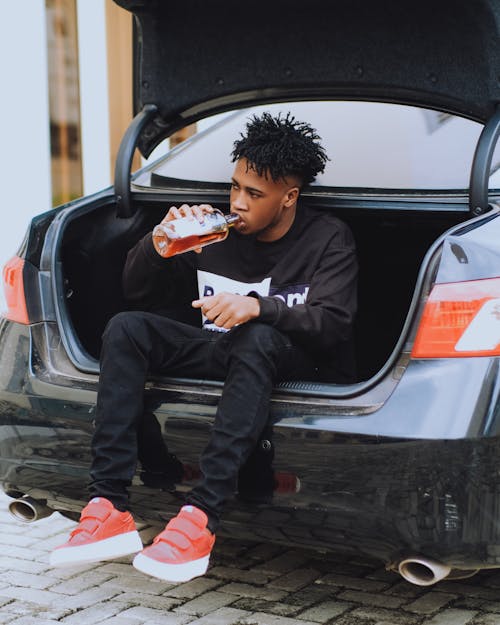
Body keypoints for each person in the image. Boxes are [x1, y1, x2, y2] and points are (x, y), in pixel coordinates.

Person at [50, 111, 358, 583]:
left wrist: (259, 307)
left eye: (254, 194)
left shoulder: (327, 238)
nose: (238, 202)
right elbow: (137, 292)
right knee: (126, 328)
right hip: (222, 351)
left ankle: (200, 517)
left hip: (290, 356)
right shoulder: (213, 231)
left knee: (254, 337)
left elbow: (332, 324)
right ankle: (109, 503)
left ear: (289, 197)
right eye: (234, 187)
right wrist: (156, 244)